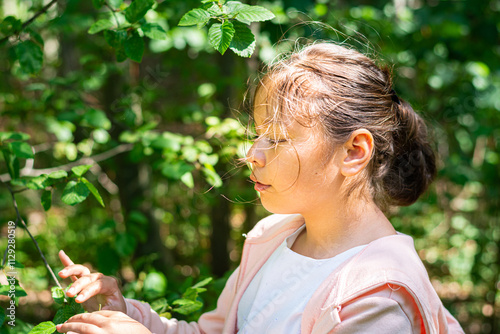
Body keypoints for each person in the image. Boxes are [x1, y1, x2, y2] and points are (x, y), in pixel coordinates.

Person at [56, 42, 464, 333]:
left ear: (354, 152)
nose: (251, 153)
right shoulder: (272, 238)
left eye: (278, 137)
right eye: (258, 133)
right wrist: (124, 315)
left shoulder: (379, 298)